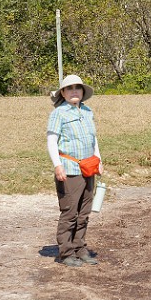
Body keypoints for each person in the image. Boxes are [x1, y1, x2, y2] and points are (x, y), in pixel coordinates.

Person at [46, 74, 103, 267]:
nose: (74, 91)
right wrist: (57, 165)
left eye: (77, 88)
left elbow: (93, 139)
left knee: (84, 211)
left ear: (82, 91)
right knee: (70, 212)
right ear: (62, 92)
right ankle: (66, 252)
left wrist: (99, 160)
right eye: (69, 88)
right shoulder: (58, 114)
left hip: (89, 166)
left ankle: (80, 248)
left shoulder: (87, 111)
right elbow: (52, 141)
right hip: (69, 168)